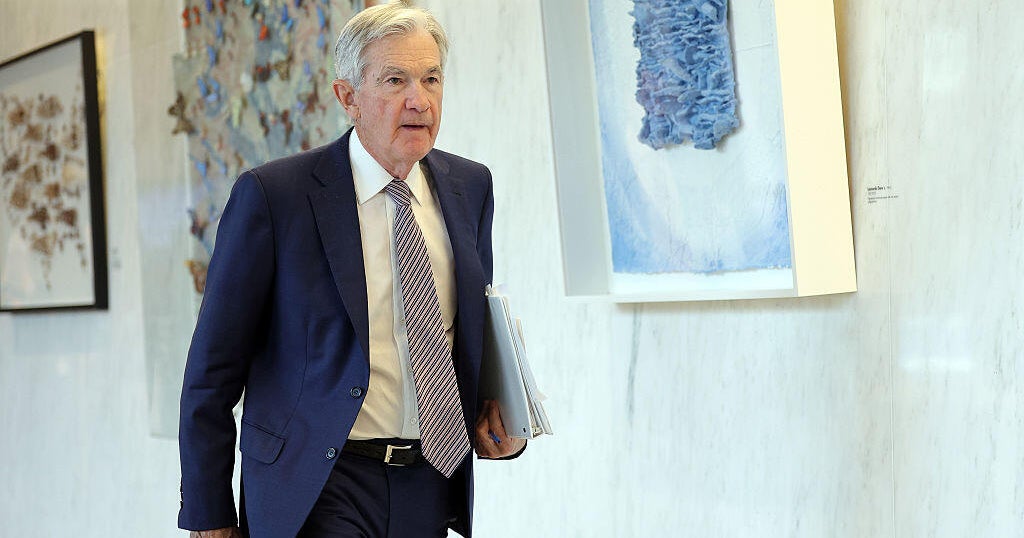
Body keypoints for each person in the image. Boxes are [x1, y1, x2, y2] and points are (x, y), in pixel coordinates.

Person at [177, 3, 525, 537]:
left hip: (430, 480)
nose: (419, 100)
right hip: (318, 484)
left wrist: (502, 419)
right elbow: (213, 368)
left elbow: (468, 333)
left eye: (431, 79)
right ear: (348, 98)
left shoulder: (471, 187)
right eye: (395, 80)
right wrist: (210, 512)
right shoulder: (275, 196)